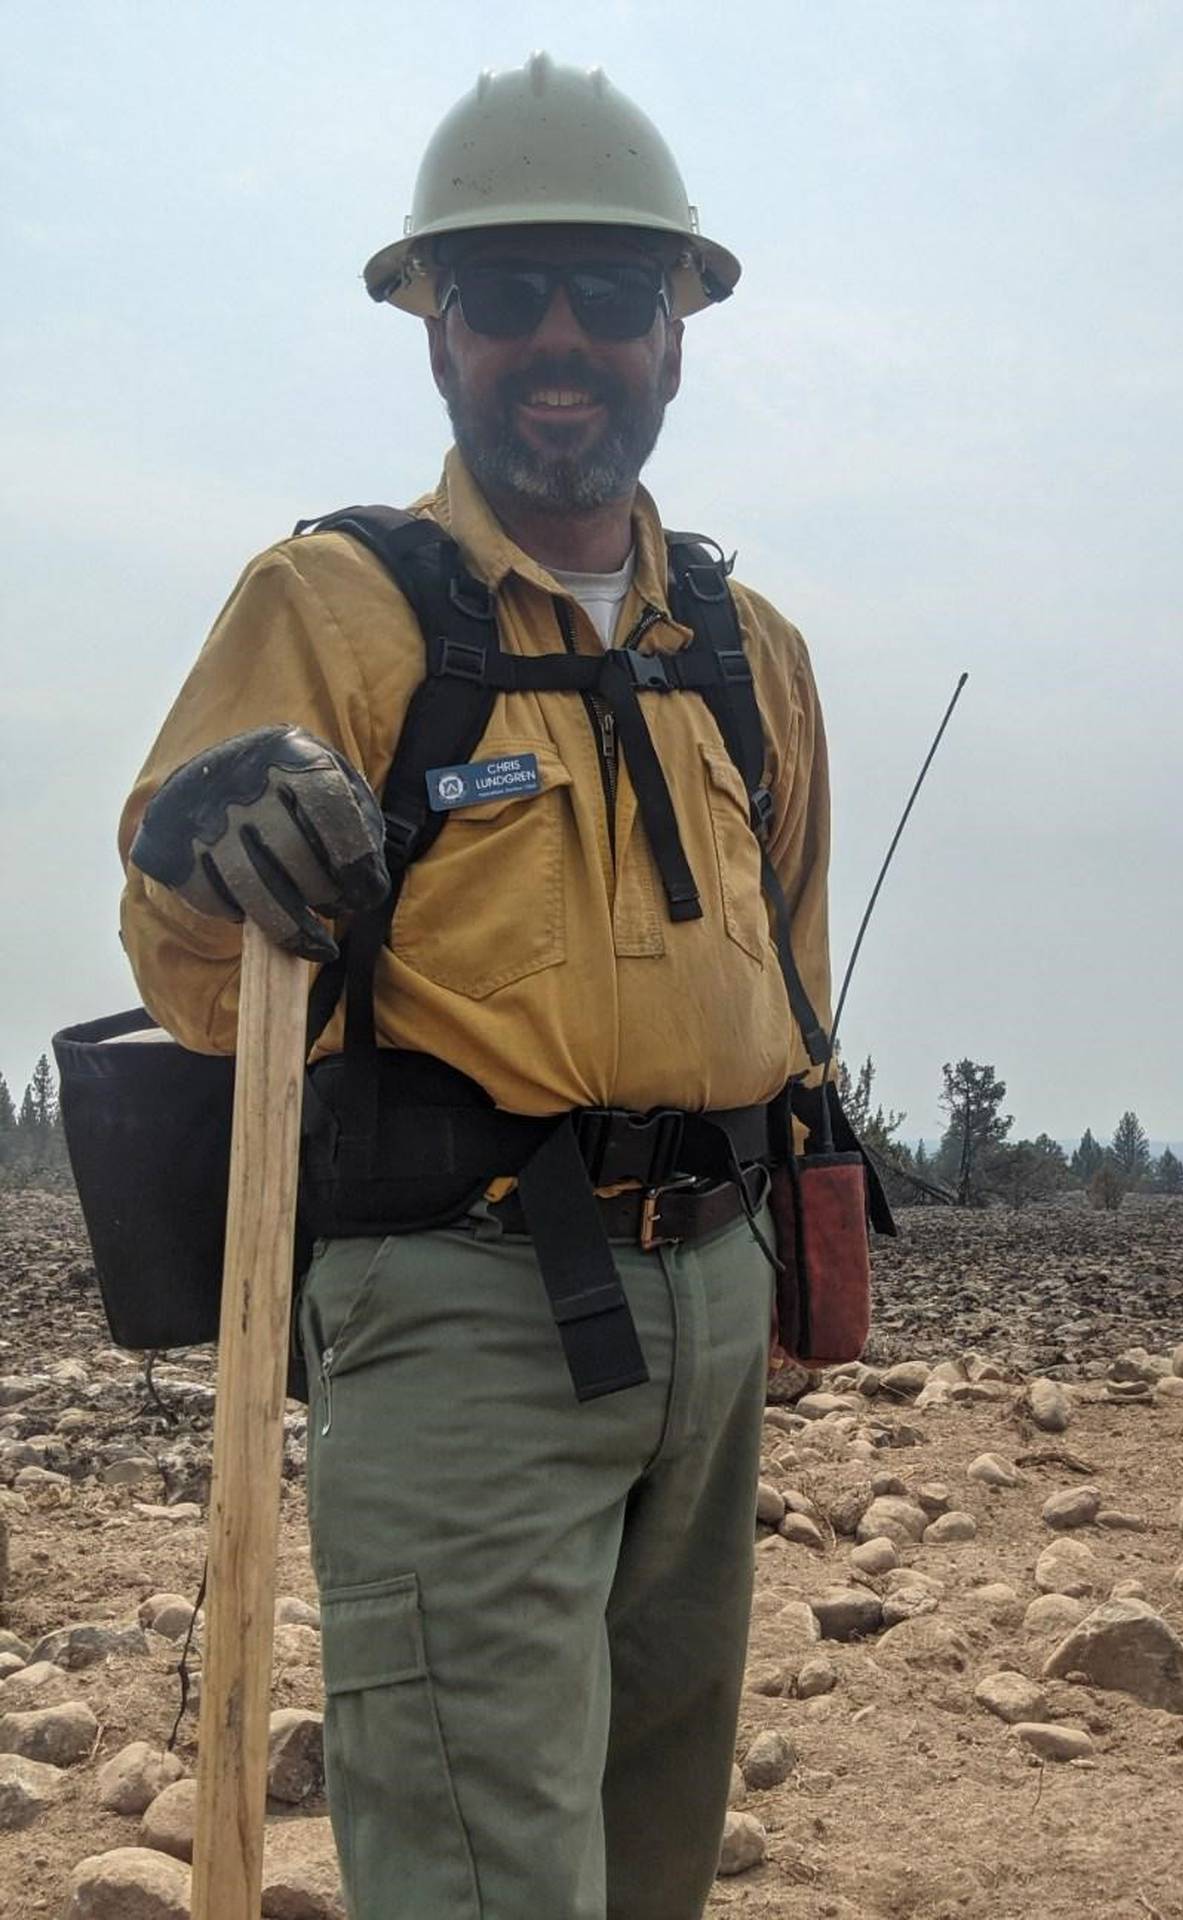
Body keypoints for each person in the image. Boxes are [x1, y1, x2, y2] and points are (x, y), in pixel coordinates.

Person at [119, 52, 831, 1920]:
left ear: (679, 323)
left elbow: (795, 949)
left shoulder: (749, 650)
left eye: (611, 290)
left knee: (651, 1840)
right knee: (485, 1877)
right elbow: (193, 966)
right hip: (461, 1306)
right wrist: (200, 834)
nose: (561, 338)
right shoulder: (333, 608)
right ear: (434, 329)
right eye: (503, 294)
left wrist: (784, 1212)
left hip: (714, 1300)